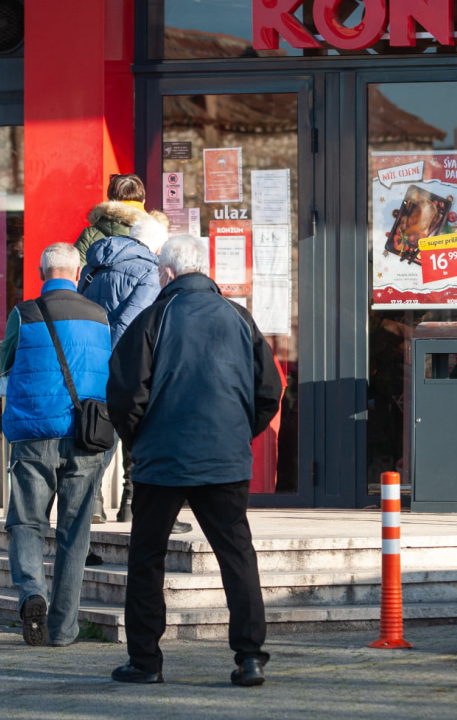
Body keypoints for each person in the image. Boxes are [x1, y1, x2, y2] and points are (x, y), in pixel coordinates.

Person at [106, 235, 283, 687]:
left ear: (166, 273)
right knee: (236, 555)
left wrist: (136, 439)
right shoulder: (240, 319)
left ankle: (146, 662)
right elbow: (269, 390)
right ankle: (249, 658)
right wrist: (239, 434)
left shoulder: (153, 318)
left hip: (161, 460)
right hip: (224, 460)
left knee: (147, 558)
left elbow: (127, 393)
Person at [0, 242, 114, 647]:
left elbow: (5, 363)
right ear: (78, 271)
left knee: (27, 522)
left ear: (40, 272)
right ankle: (64, 630)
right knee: (74, 531)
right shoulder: (100, 316)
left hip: (34, 435)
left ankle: (32, 593)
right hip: (86, 435)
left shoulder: (23, 313)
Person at [78, 219, 190, 532]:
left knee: (101, 432)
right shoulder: (148, 270)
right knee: (142, 436)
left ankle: (93, 501)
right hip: (128, 362)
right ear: (157, 247)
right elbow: (134, 322)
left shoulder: (95, 265)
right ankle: (136, 507)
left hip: (91, 360)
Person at [73, 174, 151, 265]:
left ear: (109, 200)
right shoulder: (156, 234)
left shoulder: (90, 235)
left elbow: (77, 272)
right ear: (143, 202)